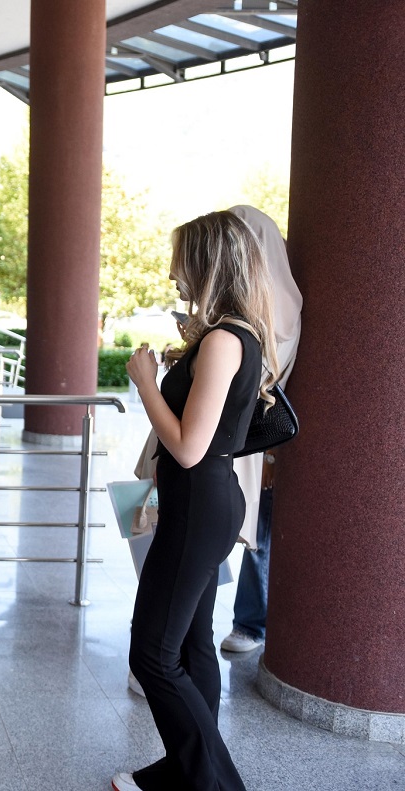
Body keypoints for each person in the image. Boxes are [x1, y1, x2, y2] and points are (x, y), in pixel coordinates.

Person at [116, 210, 279, 791]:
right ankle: (187, 770)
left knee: (152, 656)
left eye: (181, 261)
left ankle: (212, 780)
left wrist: (144, 383)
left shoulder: (223, 341)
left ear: (208, 264)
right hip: (207, 505)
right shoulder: (232, 334)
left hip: (199, 508)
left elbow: (186, 446)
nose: (171, 274)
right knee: (190, 643)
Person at [219, 204, 302, 654]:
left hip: (250, 438)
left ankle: (250, 621)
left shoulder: (279, 304)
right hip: (226, 435)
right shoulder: (236, 303)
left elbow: (264, 375)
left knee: (255, 532)